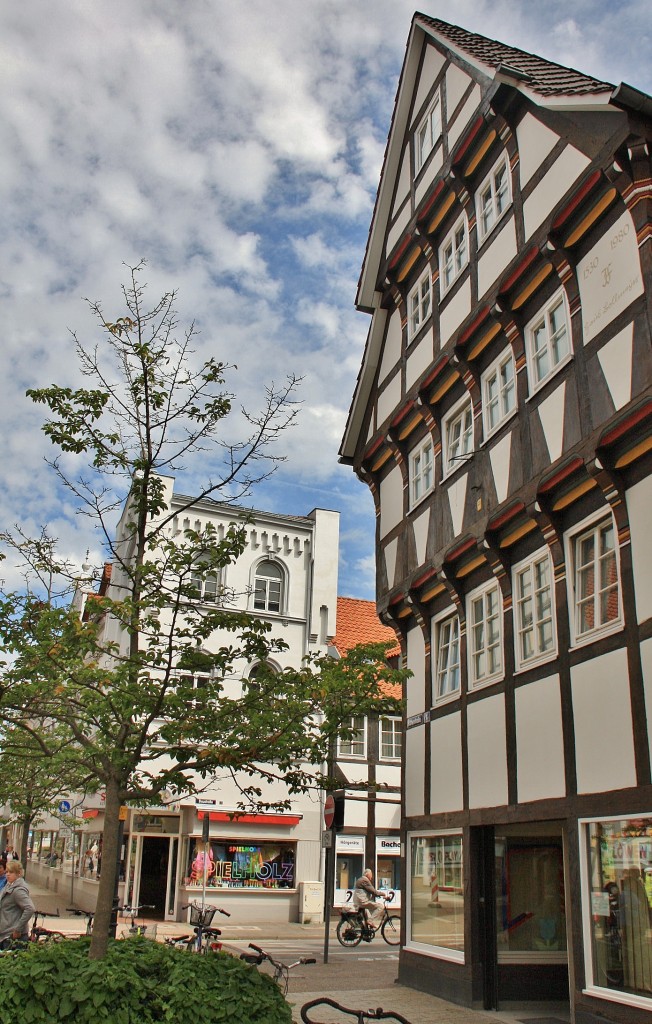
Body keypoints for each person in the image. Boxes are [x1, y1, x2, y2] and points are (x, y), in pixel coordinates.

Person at [0, 861, 35, 947]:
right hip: (5, 934)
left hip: (13, 936)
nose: (8, 874)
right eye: (7, 872)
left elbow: (30, 908)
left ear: (18, 873)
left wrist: (18, 929)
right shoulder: (8, 885)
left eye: (11, 872)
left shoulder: (18, 890)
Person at [352, 868, 384, 932]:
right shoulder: (365, 880)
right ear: (368, 875)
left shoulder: (360, 879)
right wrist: (383, 894)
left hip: (358, 901)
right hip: (362, 902)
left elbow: (368, 891)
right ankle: (370, 921)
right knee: (380, 906)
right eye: (371, 875)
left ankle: (366, 933)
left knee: (368, 915)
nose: (371, 877)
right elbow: (374, 891)